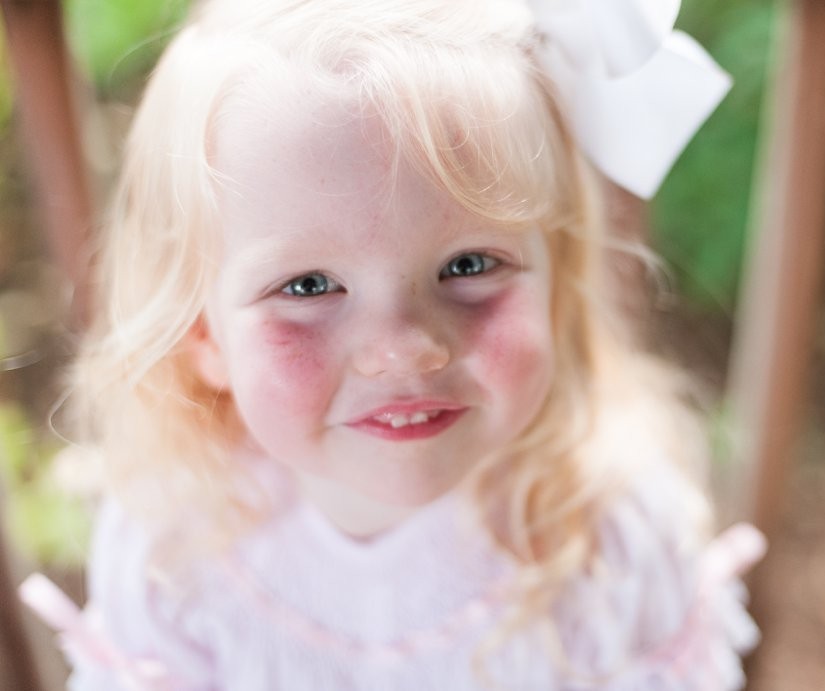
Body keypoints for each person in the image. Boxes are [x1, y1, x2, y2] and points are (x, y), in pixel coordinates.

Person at [21, 0, 766, 688]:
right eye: (309, 286)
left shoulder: (613, 536)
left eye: (469, 266)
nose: (406, 347)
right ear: (202, 331)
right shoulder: (173, 549)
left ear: (558, 284)